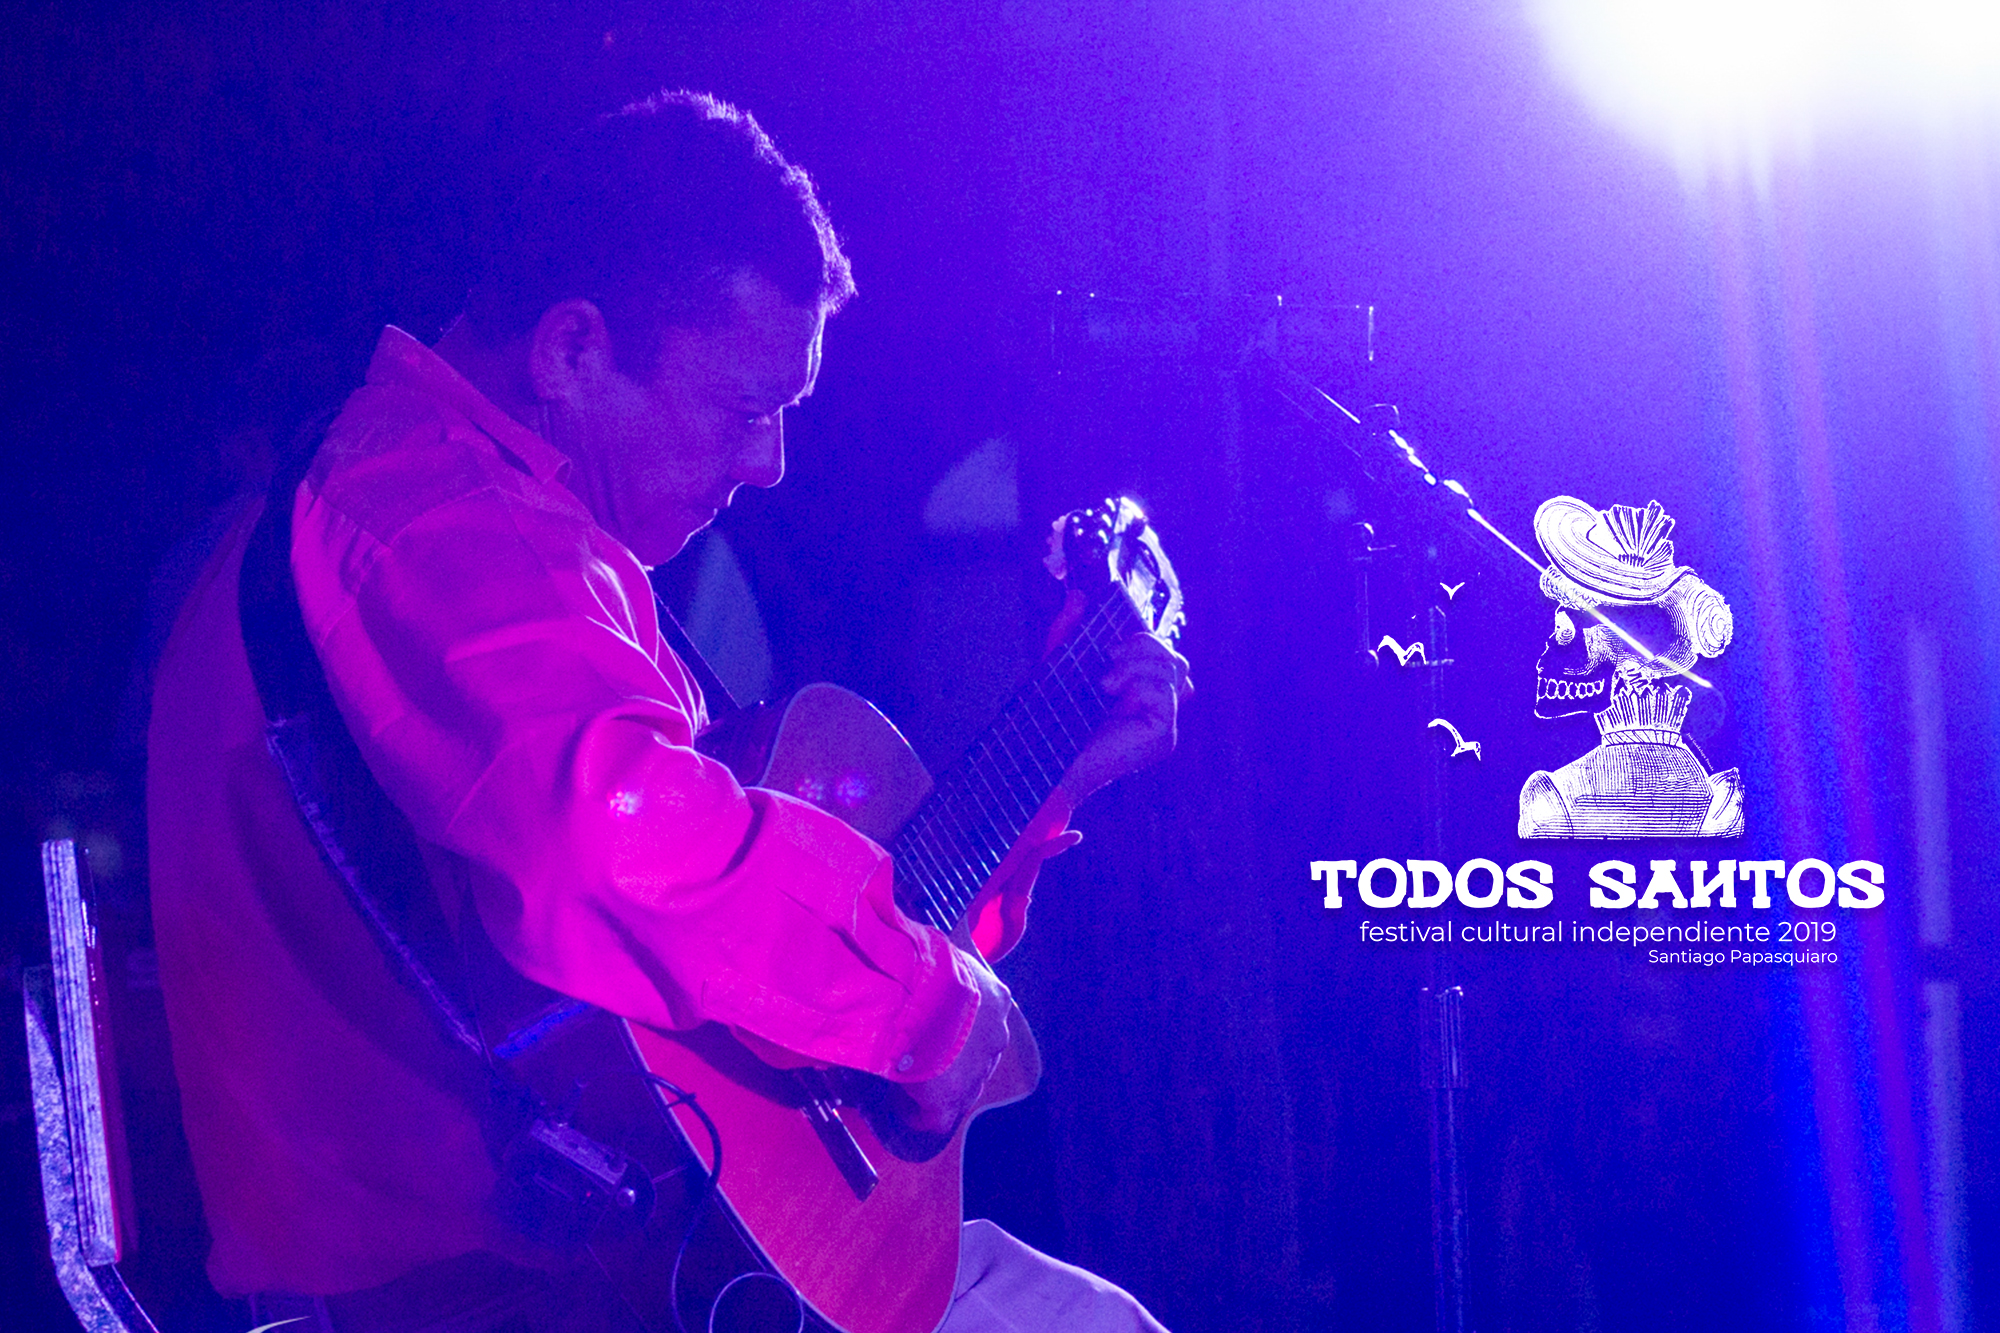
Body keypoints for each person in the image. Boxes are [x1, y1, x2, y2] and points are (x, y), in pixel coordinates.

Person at [147, 90, 1187, 1332]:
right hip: (489, 1292)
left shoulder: (509, 532)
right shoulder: (437, 514)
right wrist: (915, 1004)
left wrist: (1058, 770)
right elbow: (600, 844)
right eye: (744, 410)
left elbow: (733, 936)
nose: (769, 463)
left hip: (617, 1256)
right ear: (571, 352)